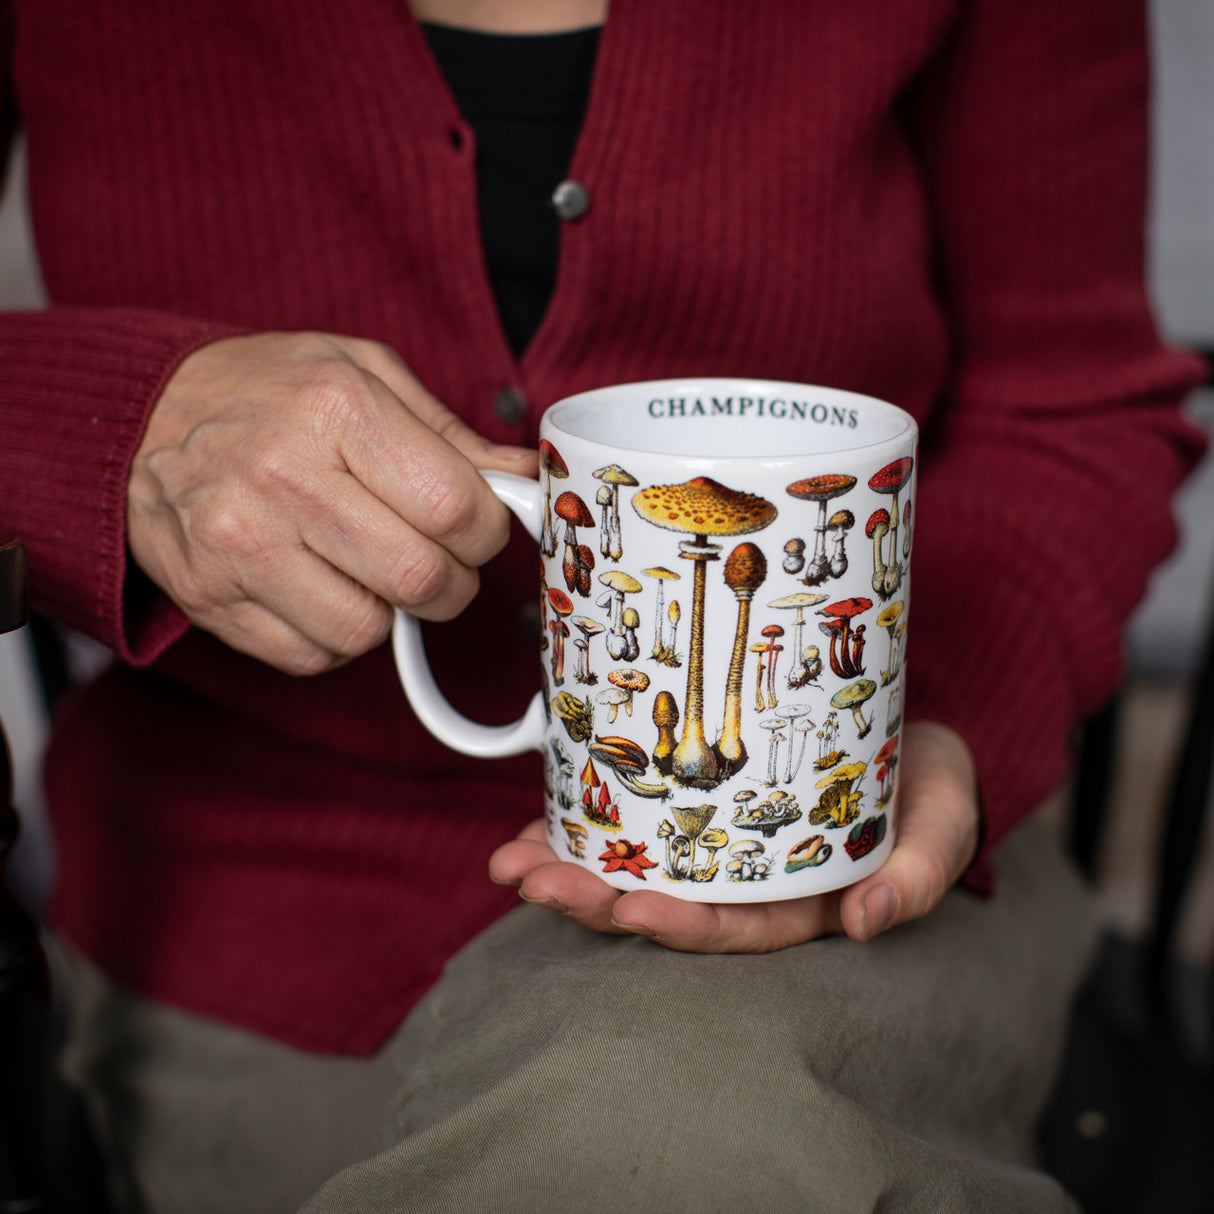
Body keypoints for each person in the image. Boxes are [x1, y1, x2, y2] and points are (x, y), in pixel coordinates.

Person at [0, 0, 1206, 1210]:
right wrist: (119, 433)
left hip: (851, 890)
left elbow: (1065, 404)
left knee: (665, 1125)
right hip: (257, 914)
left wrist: (947, 711)